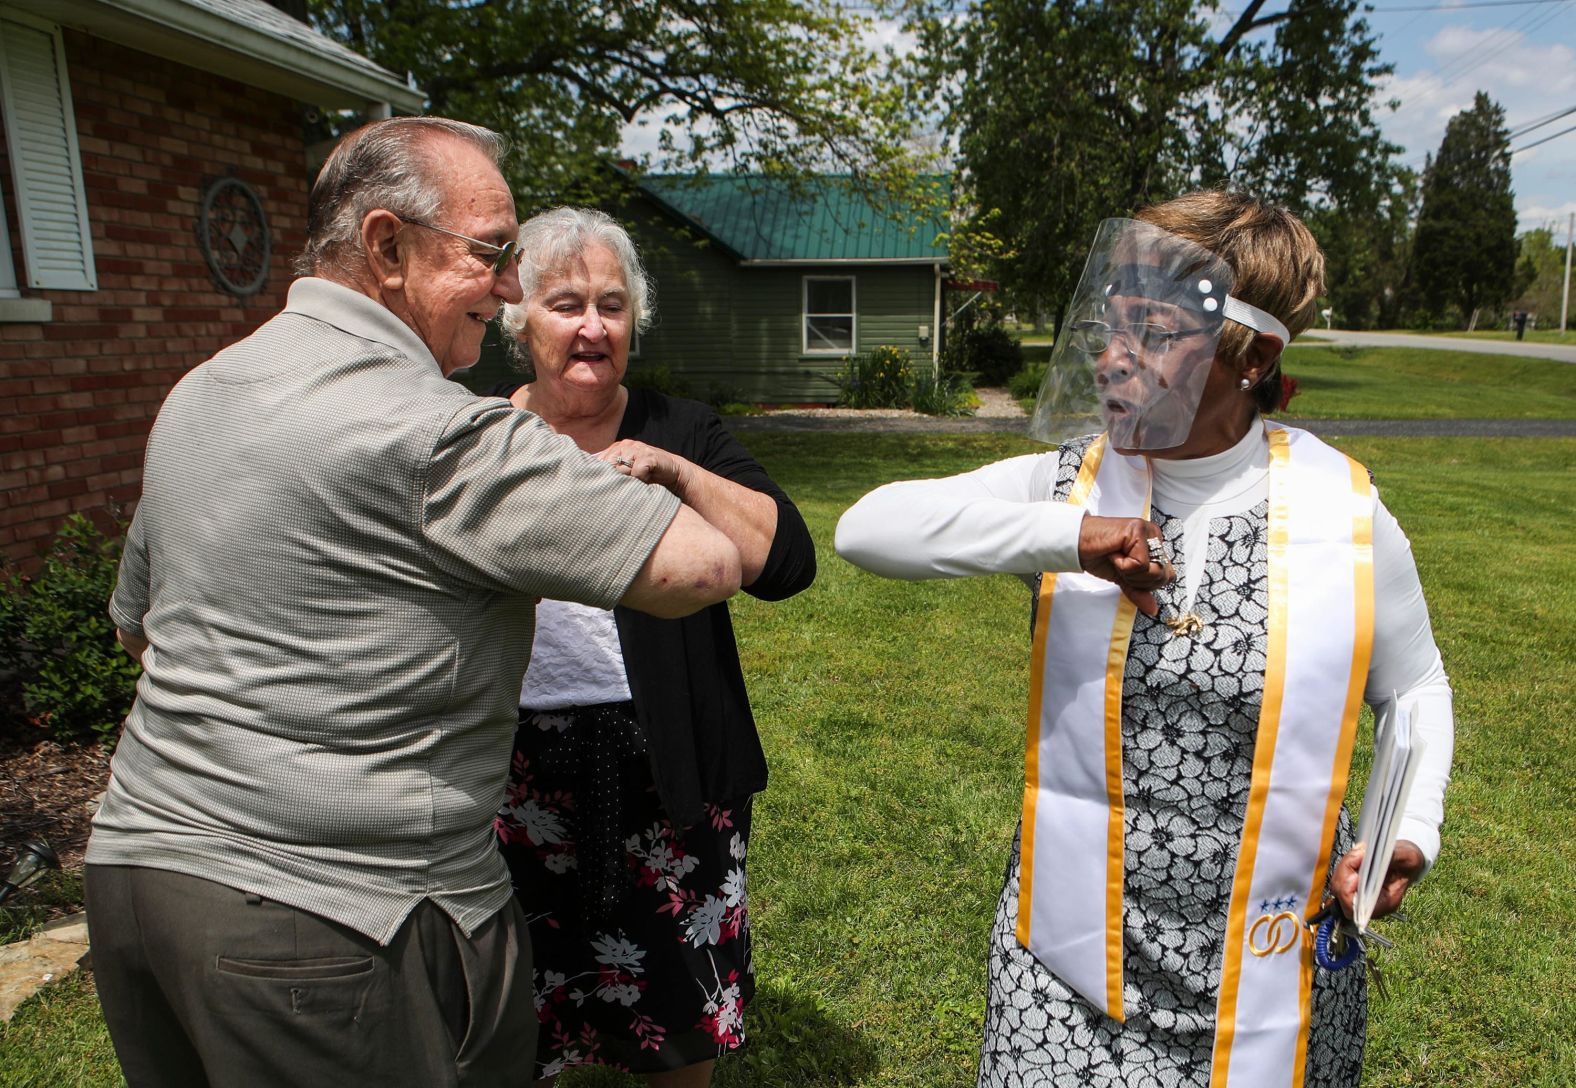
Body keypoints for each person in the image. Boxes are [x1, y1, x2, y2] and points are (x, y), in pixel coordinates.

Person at [86, 118, 742, 1088]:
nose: (511, 287)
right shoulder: (447, 434)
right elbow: (702, 564)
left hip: (136, 881)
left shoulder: (199, 390)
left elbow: (137, 625)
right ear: (387, 246)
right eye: (490, 253)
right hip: (326, 926)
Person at [836, 191, 1454, 1088]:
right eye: (1110, 326)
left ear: (1253, 357)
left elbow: (1417, 688)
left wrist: (1413, 826)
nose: (1112, 360)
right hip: (1066, 972)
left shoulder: (1343, 513)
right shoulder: (1077, 482)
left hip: (1272, 977)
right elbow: (868, 527)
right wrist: (1068, 537)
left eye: (1154, 334)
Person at [491, 207, 816, 1087]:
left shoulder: (685, 428)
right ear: (520, 320)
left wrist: (673, 473)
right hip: (509, 769)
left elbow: (787, 562)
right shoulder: (480, 436)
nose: (592, 327)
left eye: (612, 304)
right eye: (565, 304)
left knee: (678, 1004)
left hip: (669, 755)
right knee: (513, 1001)